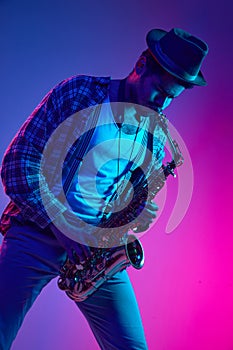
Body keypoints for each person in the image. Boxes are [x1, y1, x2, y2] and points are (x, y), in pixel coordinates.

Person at [0, 28, 208, 350]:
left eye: (172, 97)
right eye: (159, 91)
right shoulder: (78, 93)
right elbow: (16, 163)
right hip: (36, 233)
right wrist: (63, 224)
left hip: (93, 254)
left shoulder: (155, 133)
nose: (162, 104)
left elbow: (125, 201)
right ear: (141, 65)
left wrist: (135, 214)